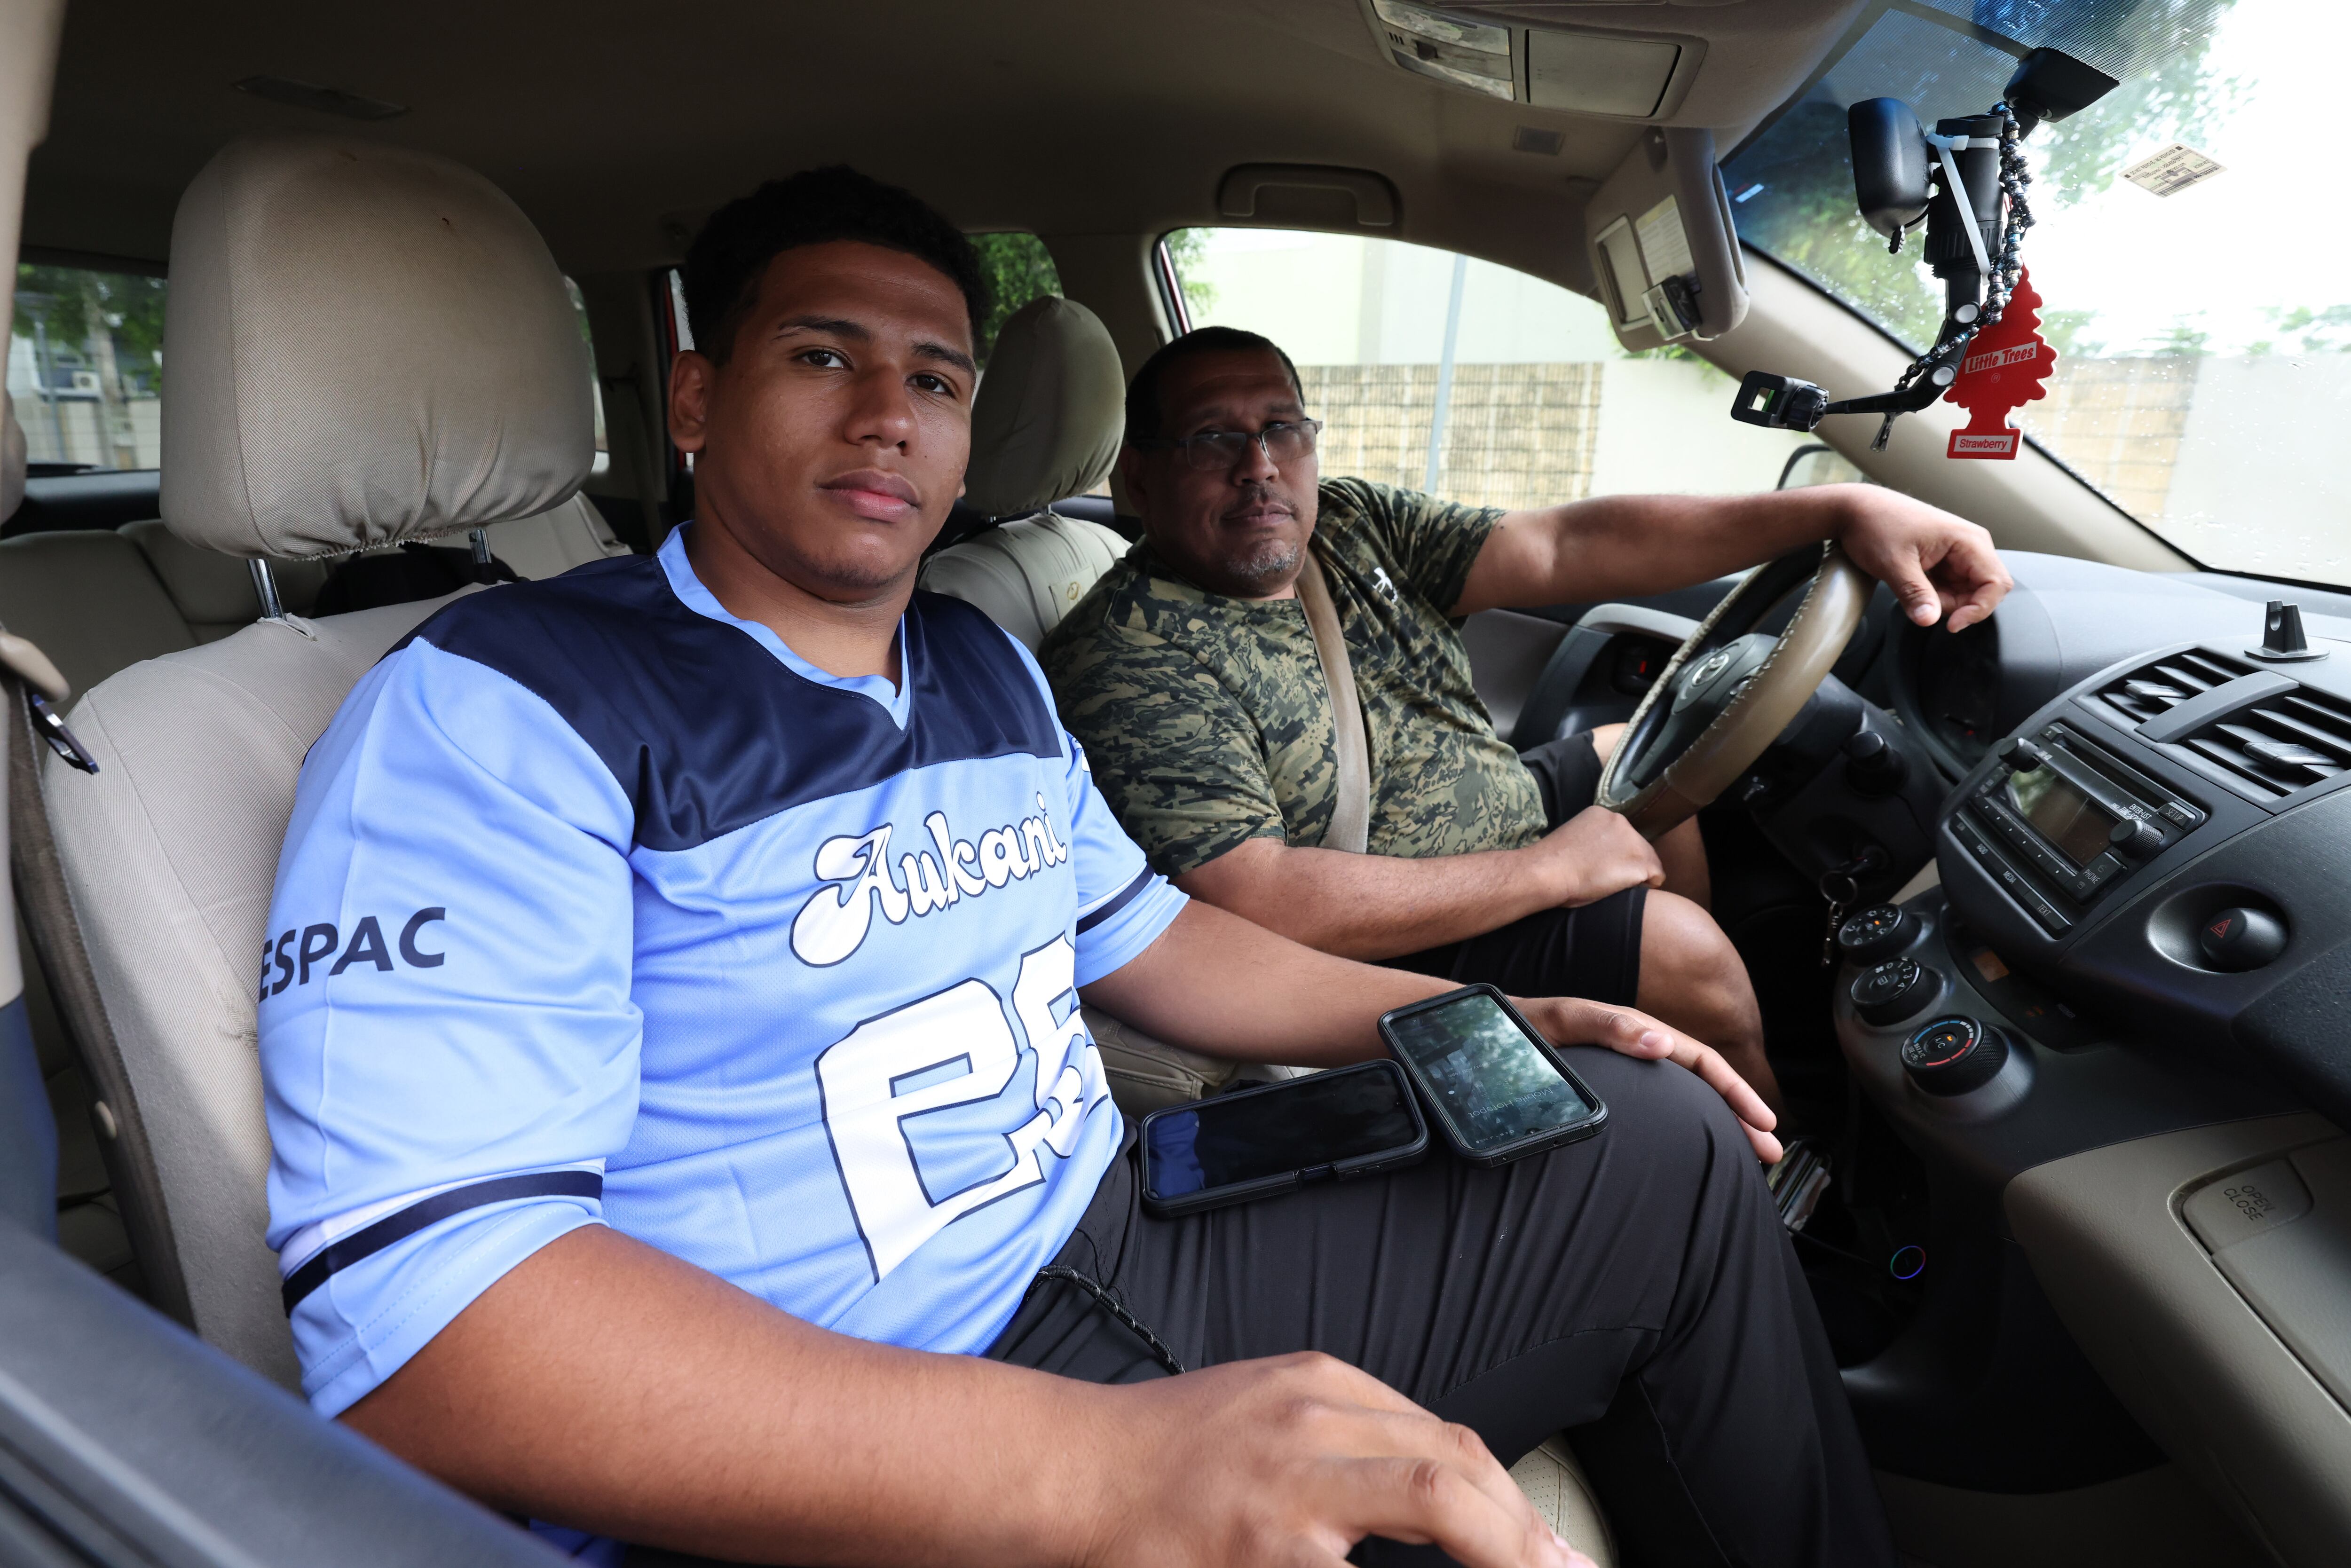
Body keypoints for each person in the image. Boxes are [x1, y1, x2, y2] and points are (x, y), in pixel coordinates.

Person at [259, 165, 1893, 1568]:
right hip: (835, 1417)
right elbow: (436, 1330)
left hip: (1106, 1233)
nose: (886, 413)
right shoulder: (503, 705)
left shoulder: (974, 662)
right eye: (822, 355)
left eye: (938, 378)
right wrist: (1111, 1464)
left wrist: (1478, 1021)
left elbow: (1156, 936)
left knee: (1666, 1144)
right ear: (695, 397)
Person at [1039, 328, 2011, 1116]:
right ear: (1136, 480)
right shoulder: (1129, 652)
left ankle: (1660, 1076)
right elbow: (1256, 899)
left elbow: (1558, 546)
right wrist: (1548, 872)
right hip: (1360, 942)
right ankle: (1771, 1183)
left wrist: (1835, 507)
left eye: (1281, 428)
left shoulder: (1346, 525)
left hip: (1478, 828)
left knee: (1652, 752)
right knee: (1688, 955)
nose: (1259, 465)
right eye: (1212, 438)